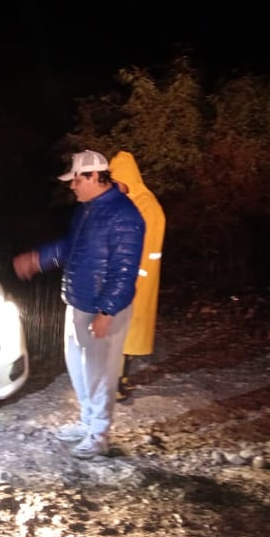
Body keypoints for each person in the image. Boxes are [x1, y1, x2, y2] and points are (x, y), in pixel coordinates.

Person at [13, 150, 144, 459]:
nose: (72, 186)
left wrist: (107, 311)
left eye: (76, 180)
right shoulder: (87, 210)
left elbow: (124, 270)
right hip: (77, 301)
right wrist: (38, 259)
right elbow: (72, 248)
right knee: (80, 369)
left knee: (100, 373)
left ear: (95, 176)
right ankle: (87, 422)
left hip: (103, 308)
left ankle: (99, 435)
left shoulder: (124, 215)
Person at [109, 151, 166, 403]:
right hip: (123, 275)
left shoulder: (147, 205)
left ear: (128, 178)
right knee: (119, 332)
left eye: (116, 181)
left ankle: (117, 384)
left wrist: (135, 276)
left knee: (125, 332)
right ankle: (115, 381)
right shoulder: (126, 202)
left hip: (137, 279)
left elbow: (148, 247)